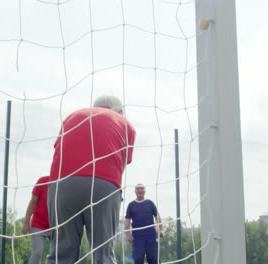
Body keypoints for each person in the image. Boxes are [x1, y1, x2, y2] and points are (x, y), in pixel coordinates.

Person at [46, 95, 136, 264]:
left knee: (61, 253)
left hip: (61, 184)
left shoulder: (73, 116)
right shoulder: (125, 124)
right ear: (120, 111)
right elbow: (123, 163)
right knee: (103, 253)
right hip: (103, 183)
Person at [125, 184, 163, 264]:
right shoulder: (131, 205)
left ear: (144, 191)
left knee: (153, 259)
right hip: (137, 237)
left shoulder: (150, 203)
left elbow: (157, 217)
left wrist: (161, 230)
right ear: (135, 191)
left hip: (151, 236)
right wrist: (127, 234)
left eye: (142, 188)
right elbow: (127, 220)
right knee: (138, 259)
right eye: (138, 189)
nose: (140, 190)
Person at [22, 176, 51, 264]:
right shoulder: (42, 181)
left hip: (55, 226)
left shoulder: (63, 183)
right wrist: (26, 222)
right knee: (37, 252)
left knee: (57, 253)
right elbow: (33, 202)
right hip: (39, 225)